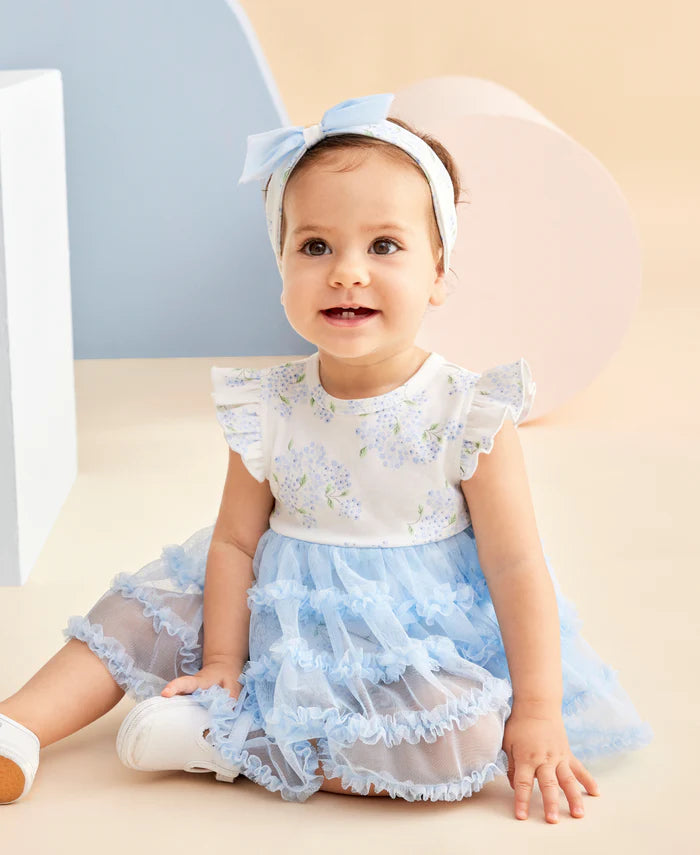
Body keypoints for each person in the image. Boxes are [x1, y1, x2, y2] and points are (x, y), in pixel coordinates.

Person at [0, 93, 653, 819]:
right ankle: (18, 725)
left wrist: (537, 710)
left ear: (439, 272)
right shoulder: (269, 404)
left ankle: (231, 742)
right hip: (267, 611)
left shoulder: (468, 413)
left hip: (402, 641)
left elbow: (517, 566)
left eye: (384, 246)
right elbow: (235, 542)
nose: (346, 272)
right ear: (281, 266)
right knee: (139, 611)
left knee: (465, 736)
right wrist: (222, 663)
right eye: (315, 247)